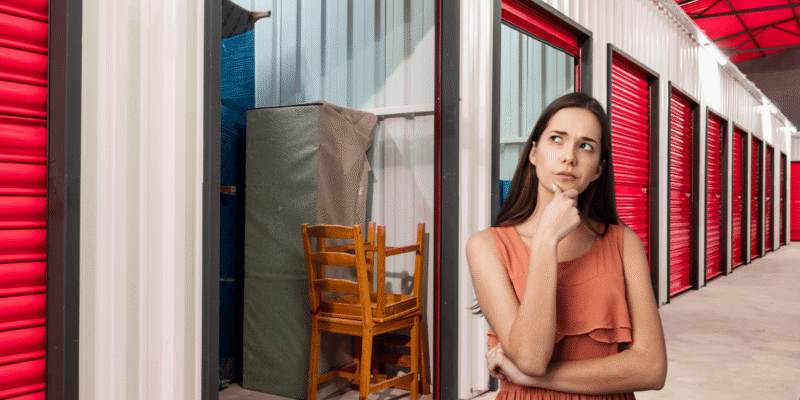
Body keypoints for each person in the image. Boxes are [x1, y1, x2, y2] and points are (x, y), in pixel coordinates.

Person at [467, 92, 667, 399]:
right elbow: (531, 358)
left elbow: (652, 368)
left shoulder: (623, 243)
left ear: (598, 169)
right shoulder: (487, 247)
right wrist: (546, 240)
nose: (569, 157)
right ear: (534, 153)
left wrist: (531, 378)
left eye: (585, 146)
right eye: (557, 139)